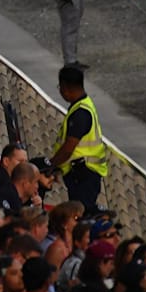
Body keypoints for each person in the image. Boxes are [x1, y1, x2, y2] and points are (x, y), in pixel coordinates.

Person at [46, 65, 107, 214]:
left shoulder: (80, 113)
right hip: (84, 173)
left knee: (80, 214)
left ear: (65, 87)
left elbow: (68, 148)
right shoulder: (83, 105)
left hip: (84, 175)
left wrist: (51, 166)